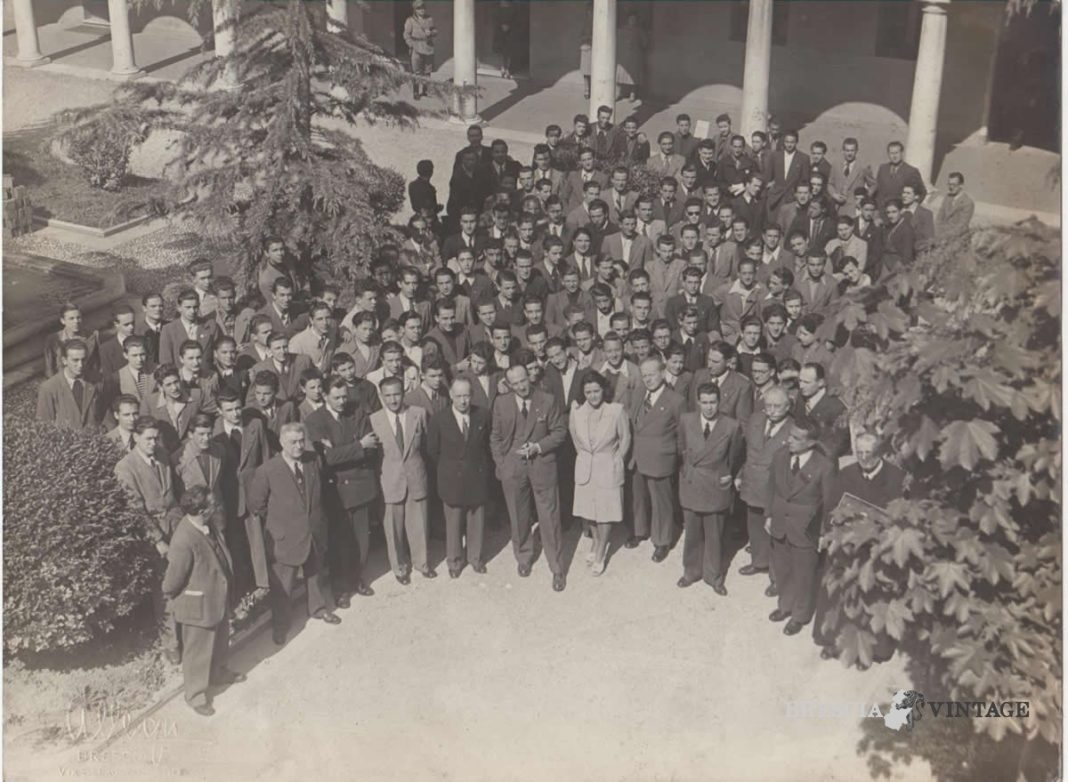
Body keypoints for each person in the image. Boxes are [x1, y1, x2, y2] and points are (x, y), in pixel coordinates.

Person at [814, 433, 907, 667]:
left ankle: (874, 649)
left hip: (877, 551)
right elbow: (831, 508)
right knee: (836, 594)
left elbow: (903, 519)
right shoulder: (846, 474)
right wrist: (831, 530)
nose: (864, 458)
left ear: (881, 453)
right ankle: (832, 640)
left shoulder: (897, 478)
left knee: (874, 599)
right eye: (859, 453)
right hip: (847, 547)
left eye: (870, 453)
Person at [249, 423, 341, 646]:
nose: (299, 446)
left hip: (314, 531)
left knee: (315, 574)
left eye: (302, 440)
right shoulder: (267, 471)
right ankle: (281, 624)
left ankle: (318, 608)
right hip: (285, 538)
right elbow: (256, 505)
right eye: (293, 442)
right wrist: (280, 525)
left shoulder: (312, 460)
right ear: (282, 443)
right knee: (283, 584)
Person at [162, 486, 245, 717]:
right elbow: (171, 582)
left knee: (219, 639)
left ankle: (218, 673)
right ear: (201, 511)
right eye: (211, 505)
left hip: (216, 597)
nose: (216, 506)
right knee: (197, 650)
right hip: (198, 605)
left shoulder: (207, 525)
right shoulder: (184, 539)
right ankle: (196, 695)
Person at [490, 364, 568, 591]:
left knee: (549, 517)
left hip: (542, 465)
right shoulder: (501, 403)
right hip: (513, 468)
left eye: (523, 381)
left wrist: (538, 447)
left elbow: (559, 432)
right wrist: (502, 465)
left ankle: (557, 567)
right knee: (518, 515)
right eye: (514, 383)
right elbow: (494, 437)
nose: (521, 386)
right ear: (508, 384)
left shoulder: (547, 400)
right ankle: (523, 557)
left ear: (530, 377)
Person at [304, 376, 380, 603]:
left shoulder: (356, 412)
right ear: (325, 396)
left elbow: (371, 448)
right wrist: (358, 446)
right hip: (336, 492)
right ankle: (341, 589)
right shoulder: (315, 420)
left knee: (361, 542)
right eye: (336, 397)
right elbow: (326, 458)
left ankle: (357, 579)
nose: (341, 402)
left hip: (361, 487)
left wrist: (343, 451)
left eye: (344, 397)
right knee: (340, 543)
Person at [115, 416, 182, 663]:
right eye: (148, 439)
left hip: (175, 525)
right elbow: (135, 510)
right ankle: (171, 643)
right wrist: (157, 540)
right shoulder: (126, 467)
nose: (153, 443)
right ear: (135, 438)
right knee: (163, 590)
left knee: (184, 579)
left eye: (155, 438)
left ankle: (189, 633)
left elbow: (172, 494)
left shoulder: (162, 456)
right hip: (154, 535)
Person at [765, 416, 838, 636]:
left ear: (811, 443)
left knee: (804, 575)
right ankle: (784, 605)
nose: (790, 440)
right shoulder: (780, 456)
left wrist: (825, 532)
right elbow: (771, 488)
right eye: (790, 435)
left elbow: (830, 503)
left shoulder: (824, 466)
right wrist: (769, 515)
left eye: (797, 438)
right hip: (779, 523)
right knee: (783, 569)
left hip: (806, 529)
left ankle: (799, 615)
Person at [677, 382, 744, 594]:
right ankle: (691, 571)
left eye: (713, 402)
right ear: (698, 402)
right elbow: (681, 448)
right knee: (692, 533)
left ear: (719, 402)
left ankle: (713, 576)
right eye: (704, 402)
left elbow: (735, 456)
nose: (708, 407)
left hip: (715, 484)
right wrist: (687, 470)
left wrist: (726, 475)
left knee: (715, 535)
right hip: (692, 483)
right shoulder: (686, 420)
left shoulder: (731, 426)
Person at [371, 376, 435, 583]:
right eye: (387, 395)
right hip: (390, 480)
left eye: (397, 394)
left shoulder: (418, 414)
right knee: (393, 528)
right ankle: (399, 568)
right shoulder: (374, 420)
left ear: (403, 393)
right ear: (381, 396)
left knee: (419, 524)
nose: (393, 400)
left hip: (416, 476)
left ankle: (422, 563)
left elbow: (427, 446)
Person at [427, 377, 492, 578]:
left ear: (471, 395)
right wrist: (449, 470)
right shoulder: (439, 419)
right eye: (459, 396)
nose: (463, 401)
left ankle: (475, 558)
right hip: (451, 480)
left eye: (467, 396)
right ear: (451, 396)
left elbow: (487, 446)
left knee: (476, 521)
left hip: (476, 477)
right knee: (453, 524)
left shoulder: (482, 415)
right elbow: (432, 451)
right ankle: (454, 562)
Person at [568, 372, 630, 575]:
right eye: (588, 392)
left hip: (607, 467)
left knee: (605, 512)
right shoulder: (576, 412)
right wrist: (585, 457)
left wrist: (616, 459)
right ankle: (596, 541)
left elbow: (625, 438)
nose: (593, 396)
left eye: (596, 391)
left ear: (604, 390)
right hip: (585, 467)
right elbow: (575, 438)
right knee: (589, 512)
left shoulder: (616, 410)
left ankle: (602, 551)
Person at [626, 356, 686, 561]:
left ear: (662, 373)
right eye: (644, 376)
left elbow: (682, 434)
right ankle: (639, 531)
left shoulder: (676, 400)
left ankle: (662, 541)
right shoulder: (640, 393)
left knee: (661, 502)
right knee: (638, 498)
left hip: (660, 458)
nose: (648, 379)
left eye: (651, 374)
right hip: (637, 455)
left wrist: (673, 457)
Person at [737, 385, 793, 595]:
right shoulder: (755, 420)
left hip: (775, 488)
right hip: (753, 482)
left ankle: (777, 578)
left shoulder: (793, 429)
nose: (772, 410)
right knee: (754, 525)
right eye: (768, 405)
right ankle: (758, 562)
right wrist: (741, 474)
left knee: (776, 534)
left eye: (777, 406)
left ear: (788, 406)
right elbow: (748, 452)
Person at [36, 339, 101, 430]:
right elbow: (44, 425)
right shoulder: (49, 388)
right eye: (75, 360)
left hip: (95, 440)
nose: (80, 365)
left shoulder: (97, 381)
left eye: (83, 360)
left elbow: (107, 417)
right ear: (64, 360)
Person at [43, 303, 101, 381]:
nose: (76, 321)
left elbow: (98, 364)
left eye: (78, 318)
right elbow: (49, 369)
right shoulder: (53, 340)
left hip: (86, 382)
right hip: (63, 383)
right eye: (71, 318)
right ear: (63, 321)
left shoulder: (92, 337)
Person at [872, 141, 925, 211]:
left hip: (900, 213)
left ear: (902, 153)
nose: (894, 156)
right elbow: (877, 189)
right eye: (891, 153)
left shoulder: (911, 171)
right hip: (882, 212)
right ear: (888, 154)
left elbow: (922, 192)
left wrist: (911, 208)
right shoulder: (883, 168)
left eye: (896, 153)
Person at [403, 0, 436, 99]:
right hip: (416, 47)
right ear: (415, 10)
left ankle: (426, 91)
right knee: (416, 72)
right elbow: (406, 35)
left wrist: (431, 33)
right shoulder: (410, 20)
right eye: (419, 8)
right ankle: (416, 92)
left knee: (427, 71)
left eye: (423, 8)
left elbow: (435, 30)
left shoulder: (429, 19)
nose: (422, 10)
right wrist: (411, 45)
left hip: (428, 47)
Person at [617, 12, 649, 102]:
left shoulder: (640, 31)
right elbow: (618, 41)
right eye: (631, 19)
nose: (632, 21)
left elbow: (645, 43)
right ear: (628, 20)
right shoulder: (623, 29)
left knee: (634, 75)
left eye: (634, 19)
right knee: (620, 74)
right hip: (624, 55)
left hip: (635, 55)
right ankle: (619, 93)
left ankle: (632, 94)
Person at [935, 172, 974, 239]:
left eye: (954, 185)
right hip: (942, 234)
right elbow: (939, 218)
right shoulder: (947, 197)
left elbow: (961, 227)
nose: (951, 187)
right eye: (949, 184)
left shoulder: (968, 202)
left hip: (958, 238)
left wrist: (942, 236)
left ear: (961, 185)